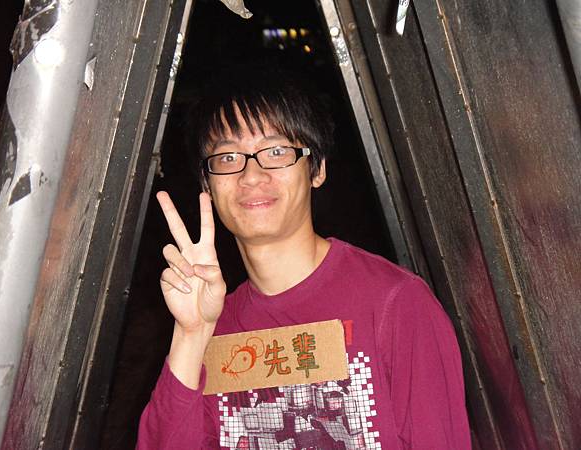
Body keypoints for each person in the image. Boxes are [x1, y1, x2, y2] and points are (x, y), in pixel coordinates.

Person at [136, 65, 471, 449]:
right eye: (228, 157)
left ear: (317, 168)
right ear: (207, 185)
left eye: (276, 151)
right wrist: (191, 335)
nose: (251, 175)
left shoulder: (396, 304)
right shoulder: (212, 328)